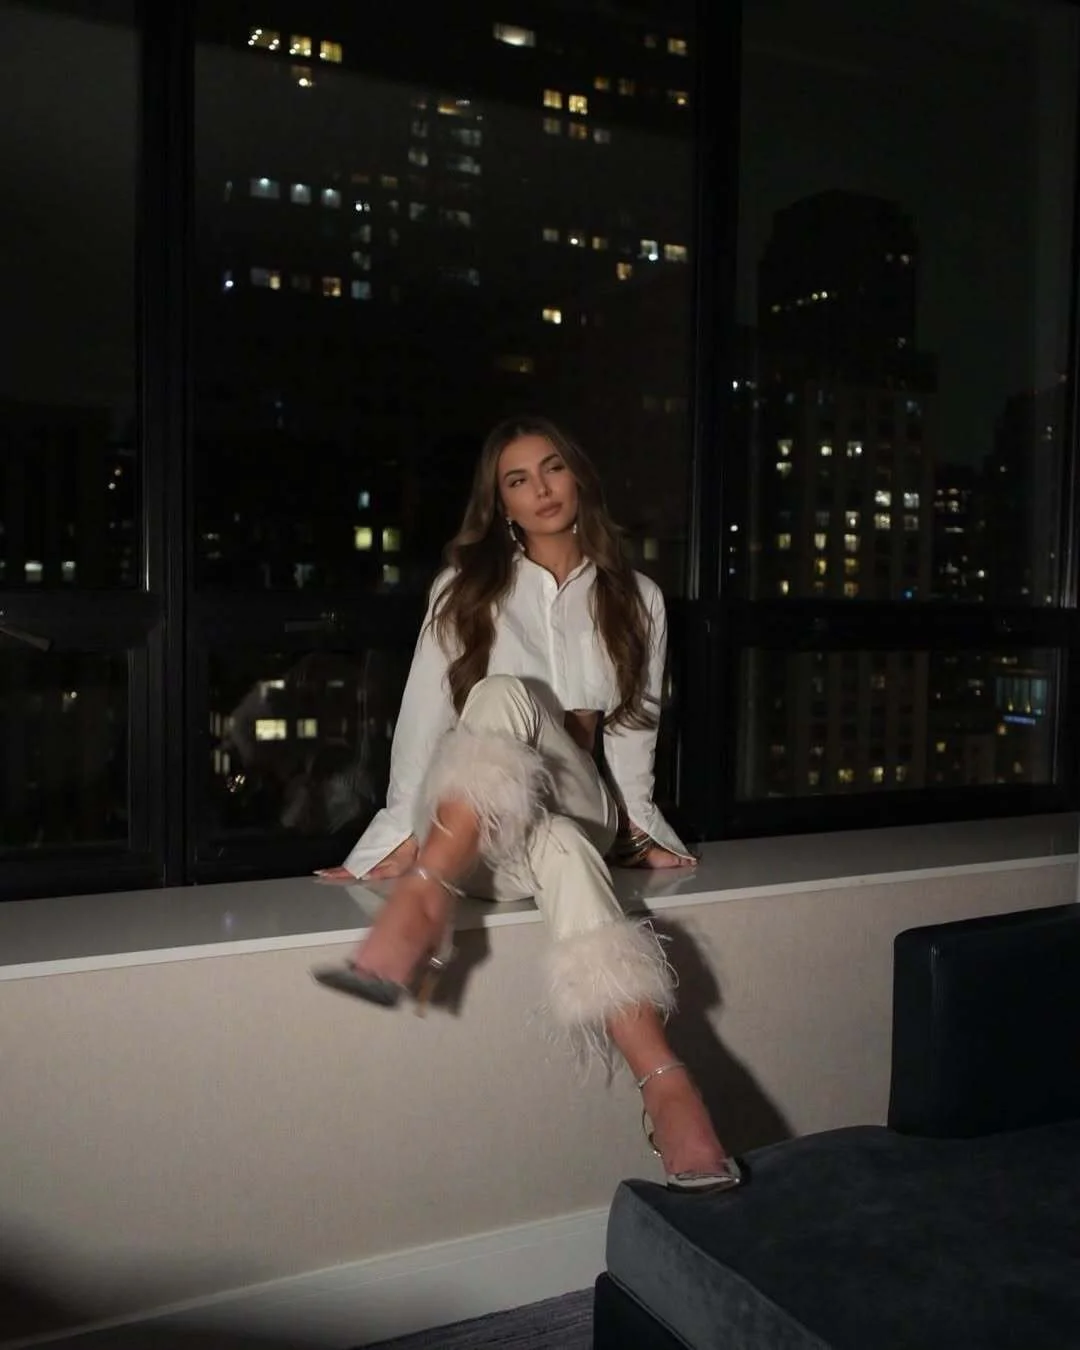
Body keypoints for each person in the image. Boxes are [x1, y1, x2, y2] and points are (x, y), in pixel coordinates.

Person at [312, 416, 741, 1193]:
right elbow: (420, 723)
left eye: (552, 470)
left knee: (528, 741)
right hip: (477, 837)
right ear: (501, 503)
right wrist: (387, 838)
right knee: (550, 825)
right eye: (518, 480)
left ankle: (418, 911)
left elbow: (637, 729)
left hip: (579, 798)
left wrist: (643, 828)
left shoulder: (635, 596)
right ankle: (666, 1086)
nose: (540, 489)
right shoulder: (465, 588)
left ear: (578, 479)